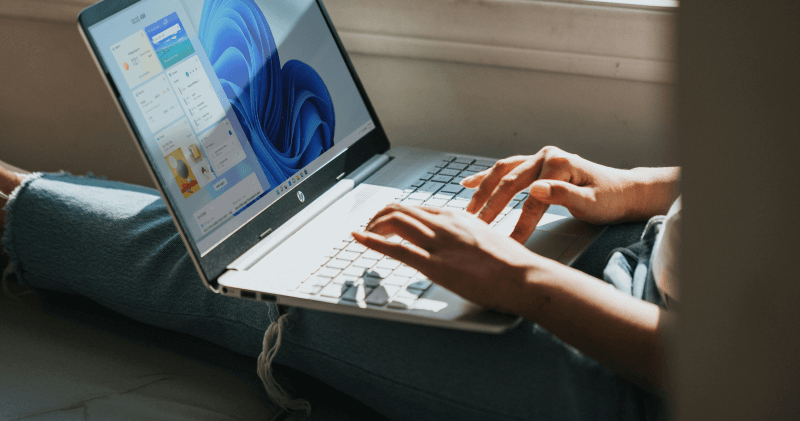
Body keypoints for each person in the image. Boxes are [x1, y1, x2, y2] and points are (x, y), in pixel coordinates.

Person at [0, 147, 680, 421]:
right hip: (643, 253)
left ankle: (11, 206)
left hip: (638, 375)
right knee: (278, 233)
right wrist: (636, 190)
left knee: (240, 269)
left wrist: (520, 279)